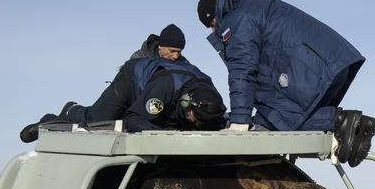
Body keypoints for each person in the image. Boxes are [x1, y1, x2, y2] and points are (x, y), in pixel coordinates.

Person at [196, 0, 375, 164]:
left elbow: (242, 69)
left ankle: (340, 121)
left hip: (310, 69)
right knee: (269, 121)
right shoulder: (257, 8)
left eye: (211, 25)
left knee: (274, 123)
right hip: (329, 64)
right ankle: (353, 127)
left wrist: (239, 122)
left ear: (214, 16)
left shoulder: (237, 18)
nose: (214, 30)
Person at [19, 56, 226, 142]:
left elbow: (216, 122)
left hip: (161, 92)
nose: (195, 123)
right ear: (187, 103)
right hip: (133, 80)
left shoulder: (210, 101)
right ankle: (70, 111)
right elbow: (133, 119)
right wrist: (167, 133)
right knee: (95, 122)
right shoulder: (166, 88)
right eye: (193, 118)